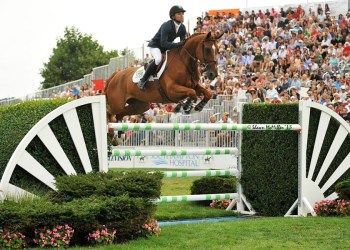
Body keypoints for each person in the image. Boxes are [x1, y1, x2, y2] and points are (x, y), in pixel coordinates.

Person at [137, 5, 187, 91]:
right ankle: (142, 80)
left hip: (166, 47)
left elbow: (183, 44)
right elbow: (163, 43)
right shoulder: (166, 25)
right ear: (172, 16)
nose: (182, 15)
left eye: (182, 13)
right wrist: (177, 44)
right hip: (156, 45)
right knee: (158, 59)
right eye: (179, 13)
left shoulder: (182, 28)